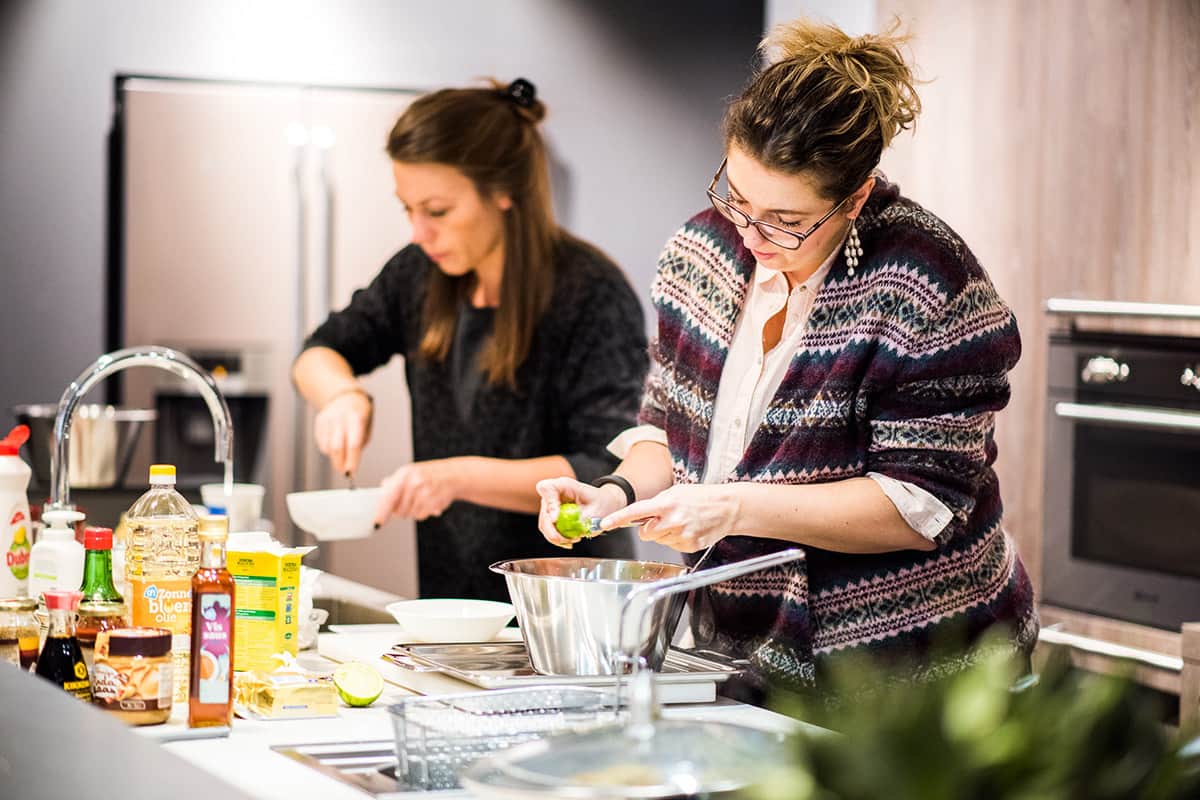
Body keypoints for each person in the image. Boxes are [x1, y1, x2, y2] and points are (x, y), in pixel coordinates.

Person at [537, 20, 1037, 699]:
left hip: (917, 677)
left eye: (787, 219)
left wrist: (732, 508)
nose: (751, 233)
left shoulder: (928, 284)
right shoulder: (701, 253)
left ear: (855, 198)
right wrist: (615, 495)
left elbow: (919, 506)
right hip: (749, 655)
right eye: (738, 198)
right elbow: (669, 427)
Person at [294, 78, 647, 602]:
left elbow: (606, 467)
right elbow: (321, 351)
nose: (418, 232)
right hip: (453, 601)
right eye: (407, 209)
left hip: (570, 601)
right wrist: (341, 395)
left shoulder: (591, 292)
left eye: (437, 211)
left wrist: (456, 478)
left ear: (504, 192)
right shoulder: (418, 274)